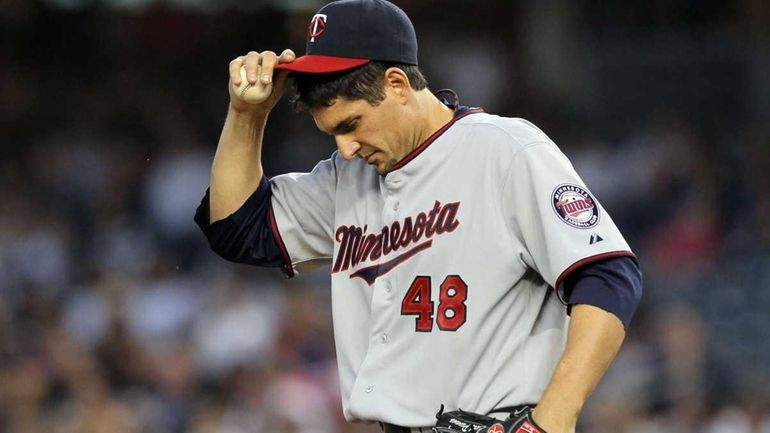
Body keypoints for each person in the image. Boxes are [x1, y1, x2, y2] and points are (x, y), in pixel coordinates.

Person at [194, 1, 643, 432]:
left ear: (396, 84)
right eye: (332, 134)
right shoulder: (347, 178)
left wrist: (554, 418)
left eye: (351, 125)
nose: (345, 149)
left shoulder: (504, 150)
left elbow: (608, 274)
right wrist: (246, 115)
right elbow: (237, 229)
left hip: (500, 421)